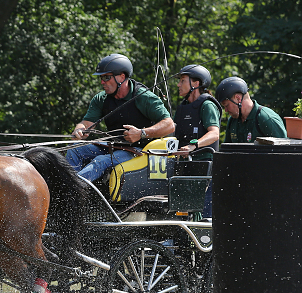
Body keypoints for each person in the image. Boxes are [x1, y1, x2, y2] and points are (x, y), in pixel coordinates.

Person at [68, 53, 175, 181]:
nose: (102, 82)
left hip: (138, 151)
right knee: (74, 149)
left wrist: (141, 133)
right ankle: (69, 187)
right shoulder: (101, 99)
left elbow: (169, 125)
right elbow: (87, 123)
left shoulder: (144, 97)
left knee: (100, 161)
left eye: (107, 77)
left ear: (122, 77)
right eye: (101, 78)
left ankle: (73, 189)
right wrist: (79, 129)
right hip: (112, 146)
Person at [173, 64, 221, 218]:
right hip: (185, 165)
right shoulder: (182, 108)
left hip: (204, 166)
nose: (178, 85)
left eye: (182, 80)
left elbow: (214, 134)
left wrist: (193, 145)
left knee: (202, 212)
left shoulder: (207, 105)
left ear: (196, 83)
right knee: (182, 209)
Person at [215, 77, 287, 143]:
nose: (226, 110)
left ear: (238, 98)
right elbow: (227, 150)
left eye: (226, 105)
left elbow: (283, 149)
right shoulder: (232, 121)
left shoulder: (266, 119)